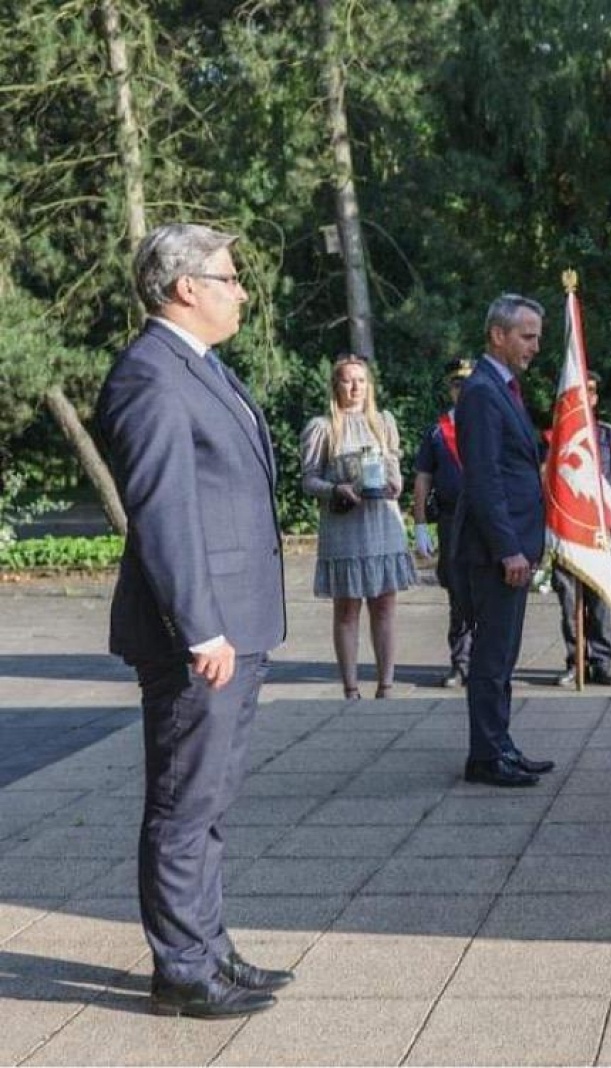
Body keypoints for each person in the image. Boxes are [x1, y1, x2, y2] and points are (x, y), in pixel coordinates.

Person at [95, 222, 292, 1018]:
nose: (240, 289)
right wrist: (202, 630)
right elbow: (165, 512)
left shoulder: (197, 367)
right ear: (184, 288)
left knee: (207, 800)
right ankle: (182, 967)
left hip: (235, 623)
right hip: (199, 635)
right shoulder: (150, 375)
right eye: (229, 276)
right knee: (183, 804)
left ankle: (204, 948)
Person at [452, 293, 557, 787]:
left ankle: (499, 744)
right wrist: (508, 548)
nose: (535, 346)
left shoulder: (503, 388)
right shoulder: (480, 392)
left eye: (537, 336)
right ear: (498, 335)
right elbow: (484, 478)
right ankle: (487, 756)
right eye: (527, 335)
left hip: (513, 544)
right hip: (498, 551)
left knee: (503, 654)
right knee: (492, 657)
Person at [300, 355, 417, 699]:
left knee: (384, 606)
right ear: (336, 385)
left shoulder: (383, 422)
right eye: (348, 381)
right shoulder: (322, 427)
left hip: (383, 522)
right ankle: (350, 688)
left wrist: (396, 484)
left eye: (361, 381)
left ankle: (386, 685)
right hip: (345, 527)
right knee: (347, 608)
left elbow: (394, 466)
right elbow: (309, 479)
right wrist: (337, 489)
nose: (355, 388)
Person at [552, 371, 611, 687]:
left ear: (595, 398)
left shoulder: (608, 434)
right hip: (569, 532)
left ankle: (602, 661)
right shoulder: (559, 436)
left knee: (600, 603)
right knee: (569, 603)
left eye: (590, 393)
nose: (584, 399)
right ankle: (576, 661)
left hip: (600, 532)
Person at [412, 357, 475, 688]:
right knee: (457, 591)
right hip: (452, 521)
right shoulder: (438, 431)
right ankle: (461, 662)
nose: (462, 390)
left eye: (467, 383)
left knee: (488, 593)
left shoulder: (491, 423)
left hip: (487, 521)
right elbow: (423, 478)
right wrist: (420, 522)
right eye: (456, 384)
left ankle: (488, 663)